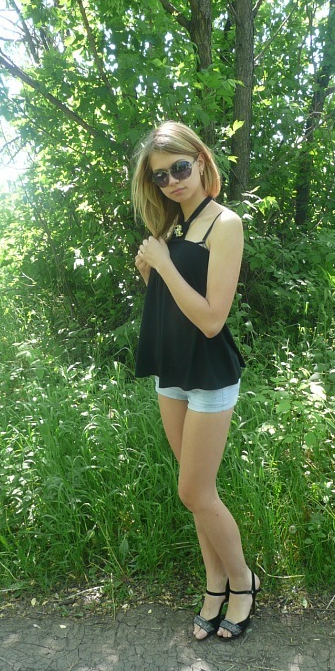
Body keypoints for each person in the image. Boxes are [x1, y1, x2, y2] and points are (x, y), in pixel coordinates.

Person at [131, 120, 260, 640]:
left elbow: (210, 319)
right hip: (173, 372)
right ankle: (214, 584)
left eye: (179, 168)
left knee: (195, 490)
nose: (172, 182)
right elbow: (168, 299)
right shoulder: (169, 228)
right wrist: (152, 268)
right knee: (196, 493)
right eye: (160, 176)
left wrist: (163, 265)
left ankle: (243, 581)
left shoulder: (224, 224)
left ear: (202, 162)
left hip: (208, 373)